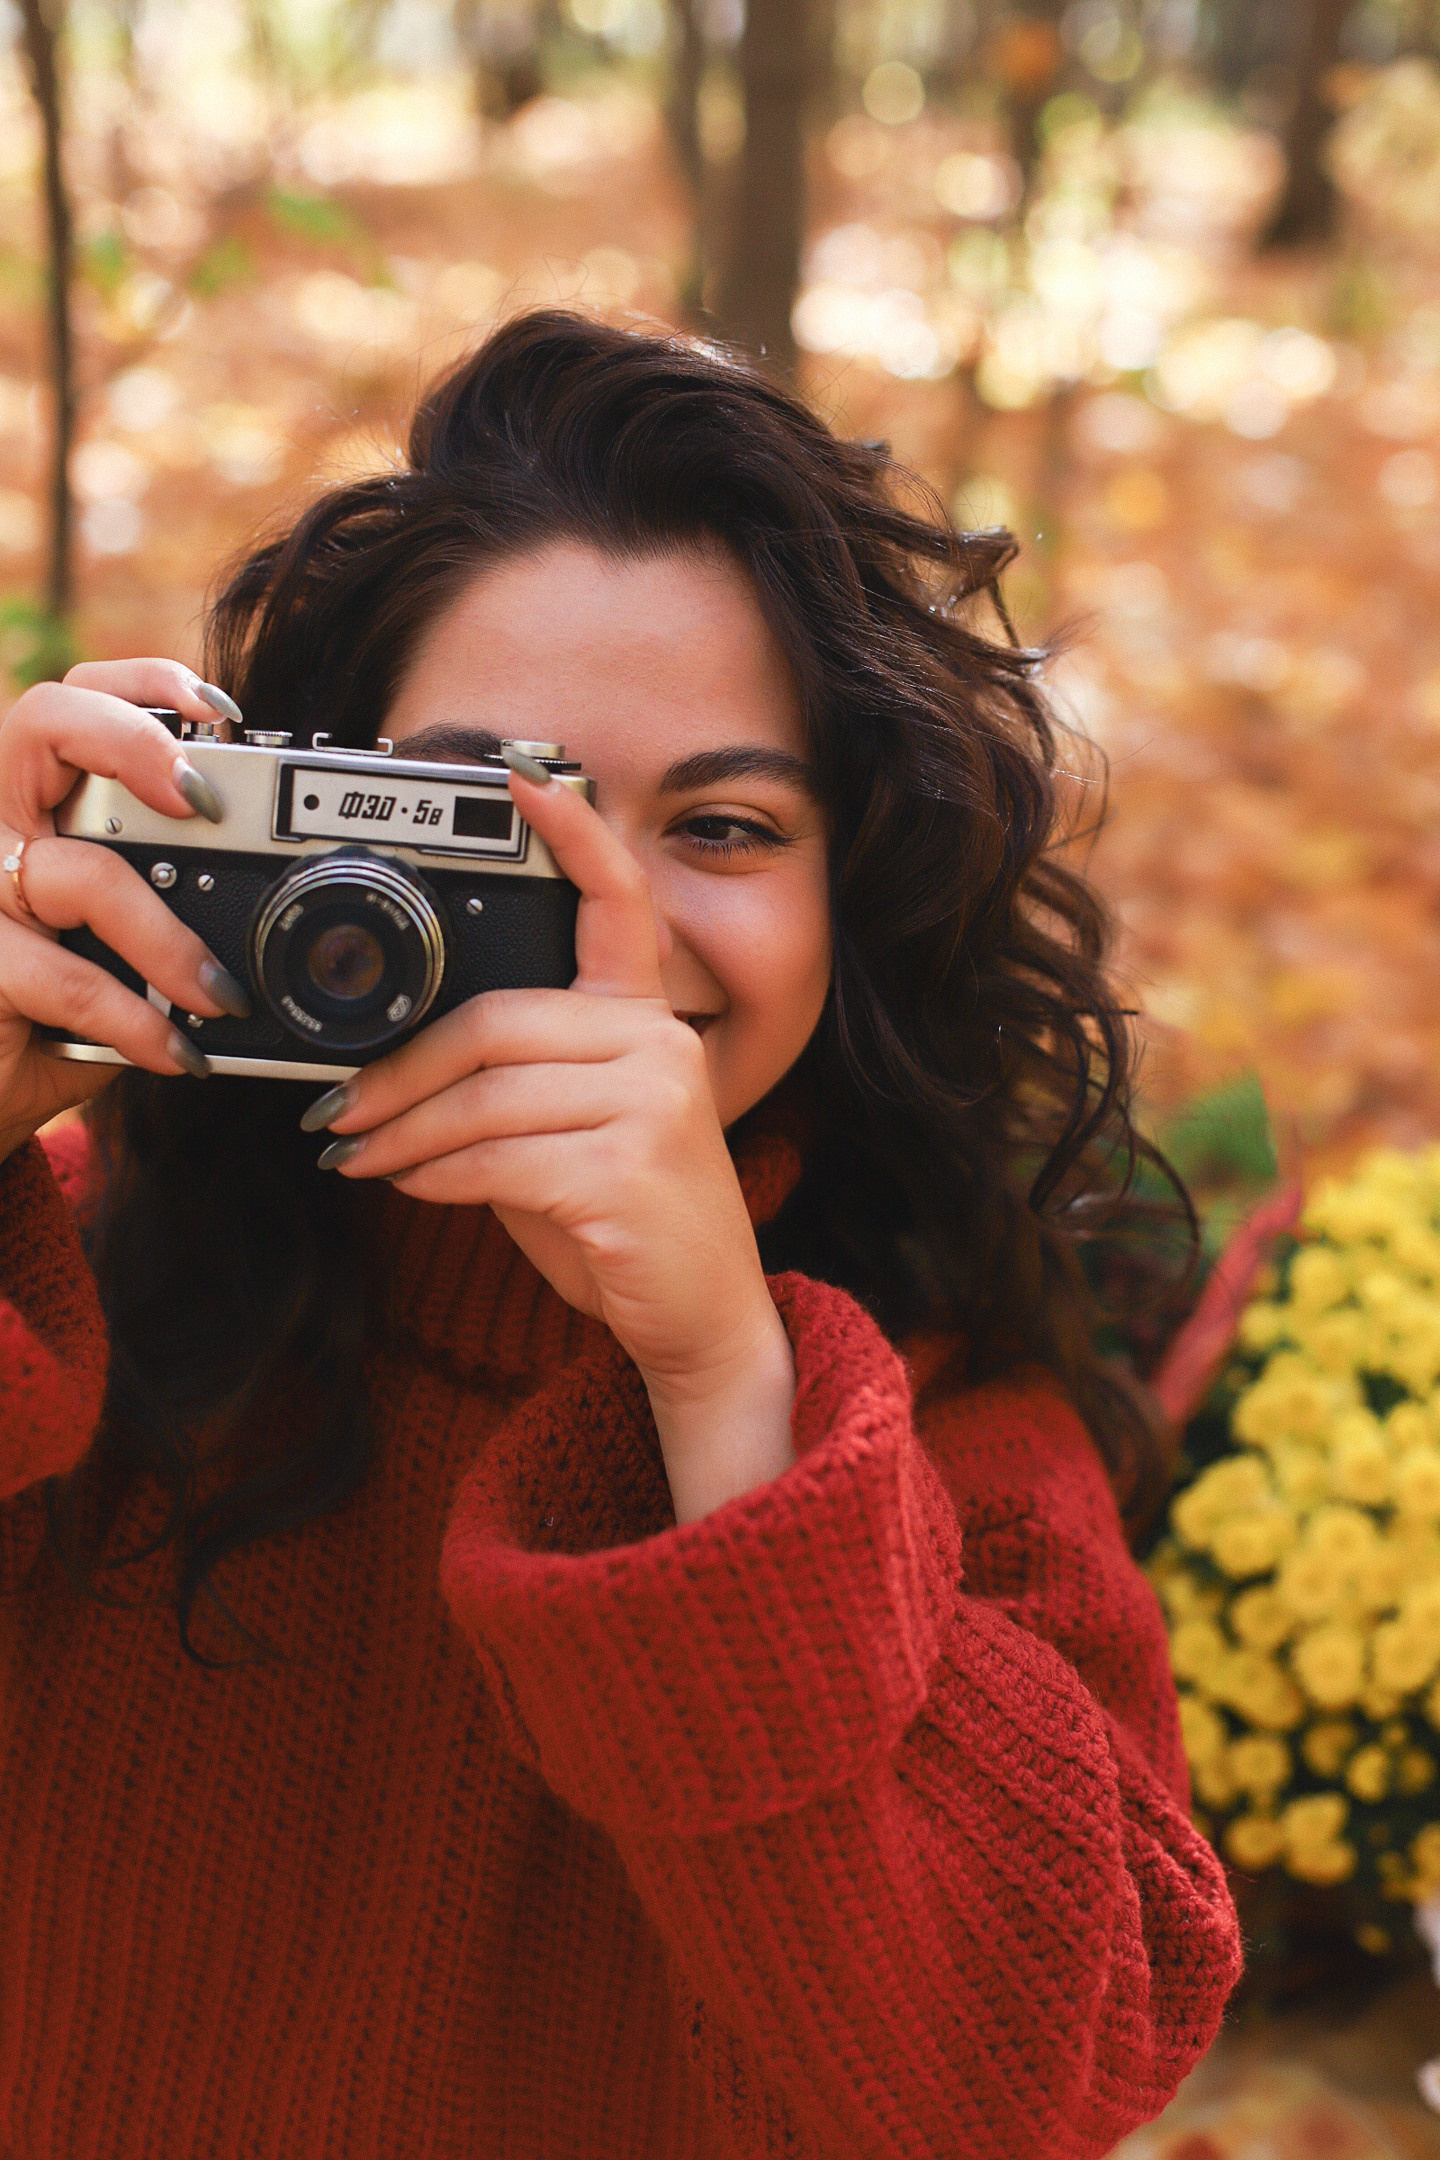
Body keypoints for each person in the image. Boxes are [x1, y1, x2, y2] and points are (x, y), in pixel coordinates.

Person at [0, 311, 1240, 2159]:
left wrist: (725, 1394)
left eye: (725, 826)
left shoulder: (952, 1435)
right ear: (292, 833)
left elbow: (1047, 2084)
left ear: (857, 897)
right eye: (498, 815)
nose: (609, 927)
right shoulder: (73, 1295)